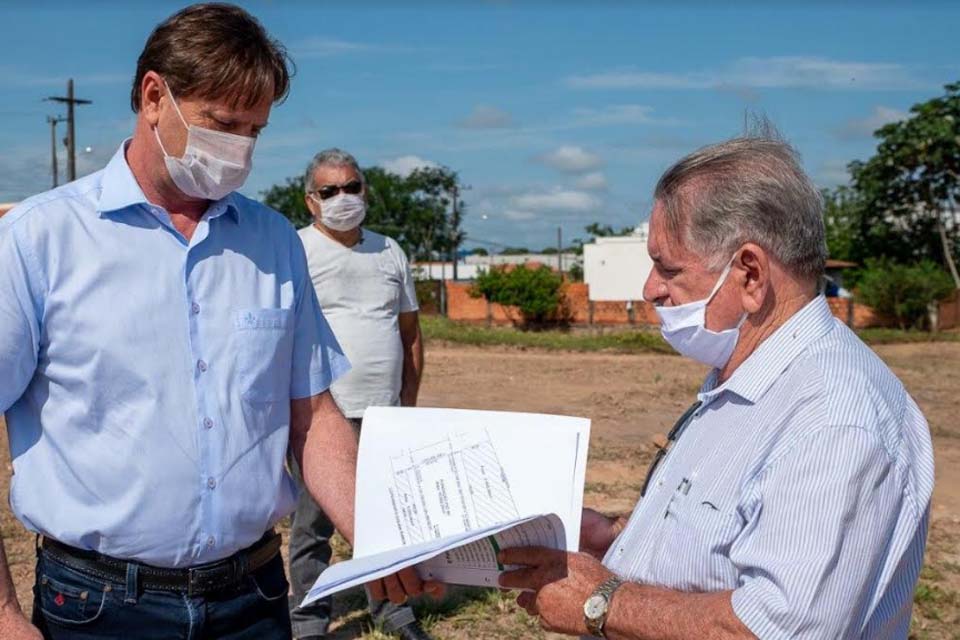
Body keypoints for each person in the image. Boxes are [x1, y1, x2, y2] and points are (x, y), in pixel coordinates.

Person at [0, 5, 428, 639]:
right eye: (224, 124)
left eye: (255, 130)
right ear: (154, 97)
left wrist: (375, 533)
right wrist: (5, 617)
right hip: (96, 608)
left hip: (251, 599)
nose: (240, 149)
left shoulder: (273, 240)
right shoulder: (39, 239)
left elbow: (313, 416)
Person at [499, 132, 935, 639]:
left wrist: (603, 602)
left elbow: (776, 630)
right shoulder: (752, 374)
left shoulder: (835, 421)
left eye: (668, 267)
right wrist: (617, 535)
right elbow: (737, 531)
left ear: (750, 273)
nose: (650, 288)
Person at [288, 148, 429, 640]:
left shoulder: (390, 251)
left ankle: (393, 612)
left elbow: (409, 332)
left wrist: (407, 404)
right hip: (321, 415)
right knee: (313, 529)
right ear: (311, 201)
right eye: (329, 191)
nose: (343, 198)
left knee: (384, 522)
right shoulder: (296, 250)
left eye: (352, 187)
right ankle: (308, 619)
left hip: (383, 413)